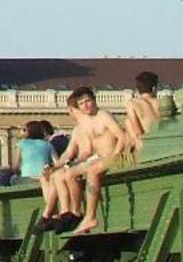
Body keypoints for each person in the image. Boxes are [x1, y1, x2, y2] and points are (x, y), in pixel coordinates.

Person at [42, 86, 127, 234]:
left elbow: (121, 136)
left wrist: (116, 154)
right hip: (98, 158)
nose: (85, 105)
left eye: (88, 101)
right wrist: (58, 166)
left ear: (94, 100)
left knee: (92, 171)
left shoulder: (104, 116)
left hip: (112, 156)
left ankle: (91, 216)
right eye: (81, 104)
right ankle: (75, 212)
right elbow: (81, 151)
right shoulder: (86, 122)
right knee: (68, 174)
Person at [122, 71, 163, 158]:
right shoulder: (161, 103)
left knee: (127, 122)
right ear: (154, 88)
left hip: (145, 144)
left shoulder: (133, 103)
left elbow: (137, 130)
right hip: (163, 141)